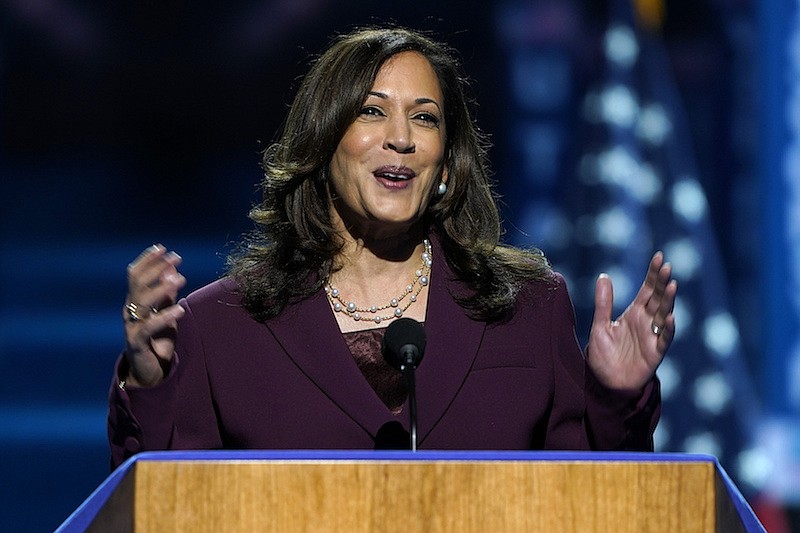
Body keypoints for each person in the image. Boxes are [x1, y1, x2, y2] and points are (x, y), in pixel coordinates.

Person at [108, 26, 676, 468]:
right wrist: (150, 386)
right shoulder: (220, 326)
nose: (401, 139)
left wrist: (615, 397)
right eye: (372, 111)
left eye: (424, 119)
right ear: (323, 141)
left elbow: (591, 500)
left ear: (446, 163)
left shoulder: (527, 309)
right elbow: (165, 507)